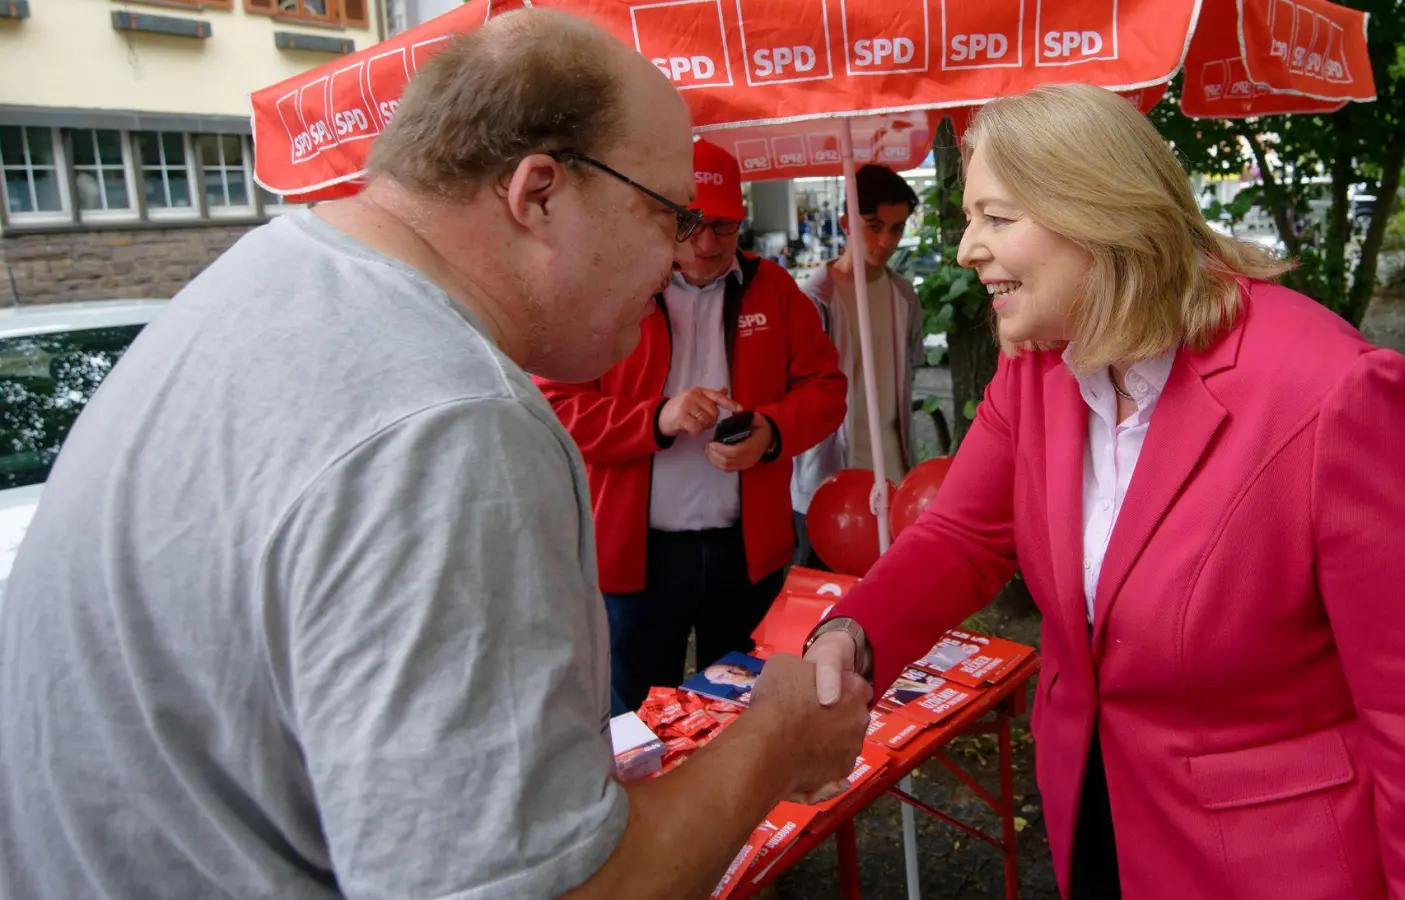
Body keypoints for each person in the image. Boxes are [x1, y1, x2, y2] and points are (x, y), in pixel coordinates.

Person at [0, 12, 870, 900]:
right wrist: (774, 742)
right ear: (538, 193)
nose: (676, 258)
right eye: (666, 214)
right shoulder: (451, 421)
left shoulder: (260, 284)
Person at [804, 84, 1405, 900]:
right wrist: (853, 633)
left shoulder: (1337, 392)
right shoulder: (1040, 365)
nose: (966, 249)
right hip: (1093, 817)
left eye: (995, 219)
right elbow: (963, 535)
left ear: (1099, 215)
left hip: (1275, 863)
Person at [536, 138, 846, 716]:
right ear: (665, 213)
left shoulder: (774, 290)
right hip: (639, 555)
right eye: (691, 223)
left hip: (746, 550)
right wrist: (657, 418)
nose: (707, 244)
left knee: (746, 708)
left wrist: (771, 432)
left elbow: (827, 391)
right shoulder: (610, 289)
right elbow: (555, 406)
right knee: (635, 716)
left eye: (724, 227)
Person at [791, 163, 924, 570]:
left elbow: (908, 379)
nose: (887, 239)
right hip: (826, 481)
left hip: (893, 473)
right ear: (847, 220)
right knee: (823, 603)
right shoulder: (813, 299)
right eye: (874, 224)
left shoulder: (904, 297)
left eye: (897, 228)